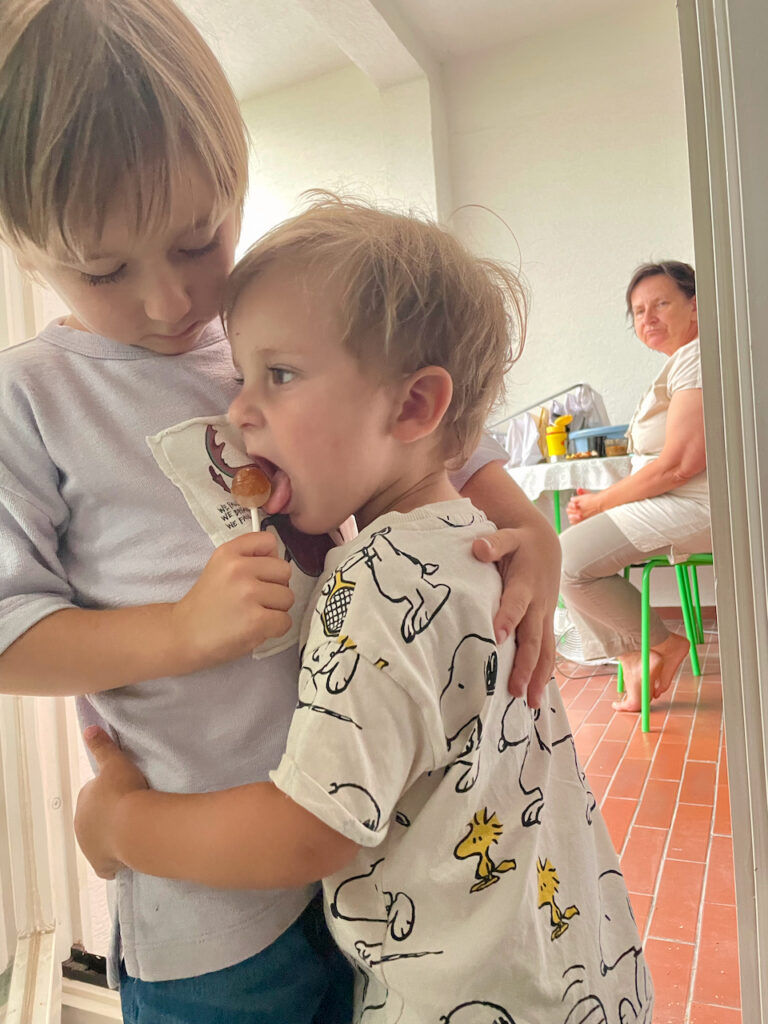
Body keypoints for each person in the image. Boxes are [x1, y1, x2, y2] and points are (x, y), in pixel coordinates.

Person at [0, 2, 561, 1021]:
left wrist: (533, 533)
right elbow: (10, 636)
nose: (171, 301)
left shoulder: (262, 327)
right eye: (104, 270)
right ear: (24, 247)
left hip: (377, 858)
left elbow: (421, 421)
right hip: (209, 905)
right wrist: (182, 631)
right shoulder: (32, 397)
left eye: (198, 240)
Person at [75, 195, 653, 1024]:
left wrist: (121, 823)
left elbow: (309, 831)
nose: (238, 411)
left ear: (413, 407)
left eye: (278, 376)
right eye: (240, 376)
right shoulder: (484, 547)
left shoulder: (378, 581)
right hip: (581, 971)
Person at [561, 261, 710, 713]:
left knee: (565, 560)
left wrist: (602, 502)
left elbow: (679, 466)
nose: (648, 318)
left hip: (696, 506)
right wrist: (600, 504)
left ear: (695, 306)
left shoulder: (698, 358)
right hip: (674, 503)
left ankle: (659, 646)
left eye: (661, 304)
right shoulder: (680, 363)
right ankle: (633, 655)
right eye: (639, 311)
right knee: (569, 550)